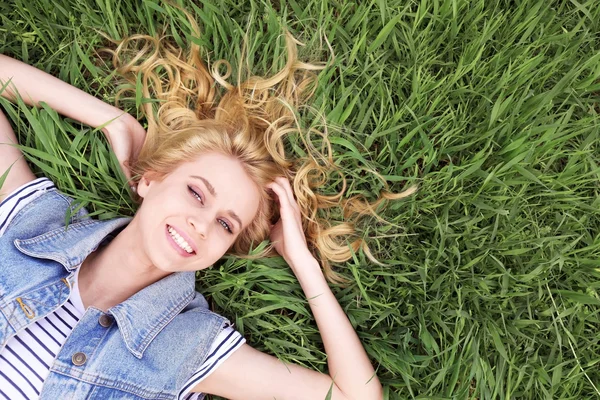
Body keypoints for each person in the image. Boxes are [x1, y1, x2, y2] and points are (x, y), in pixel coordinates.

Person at [0, 20, 411, 399]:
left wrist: (301, 260)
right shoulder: (31, 225)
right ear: (150, 180)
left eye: (225, 223)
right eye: (197, 193)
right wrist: (116, 123)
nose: (201, 223)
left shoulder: (190, 345)